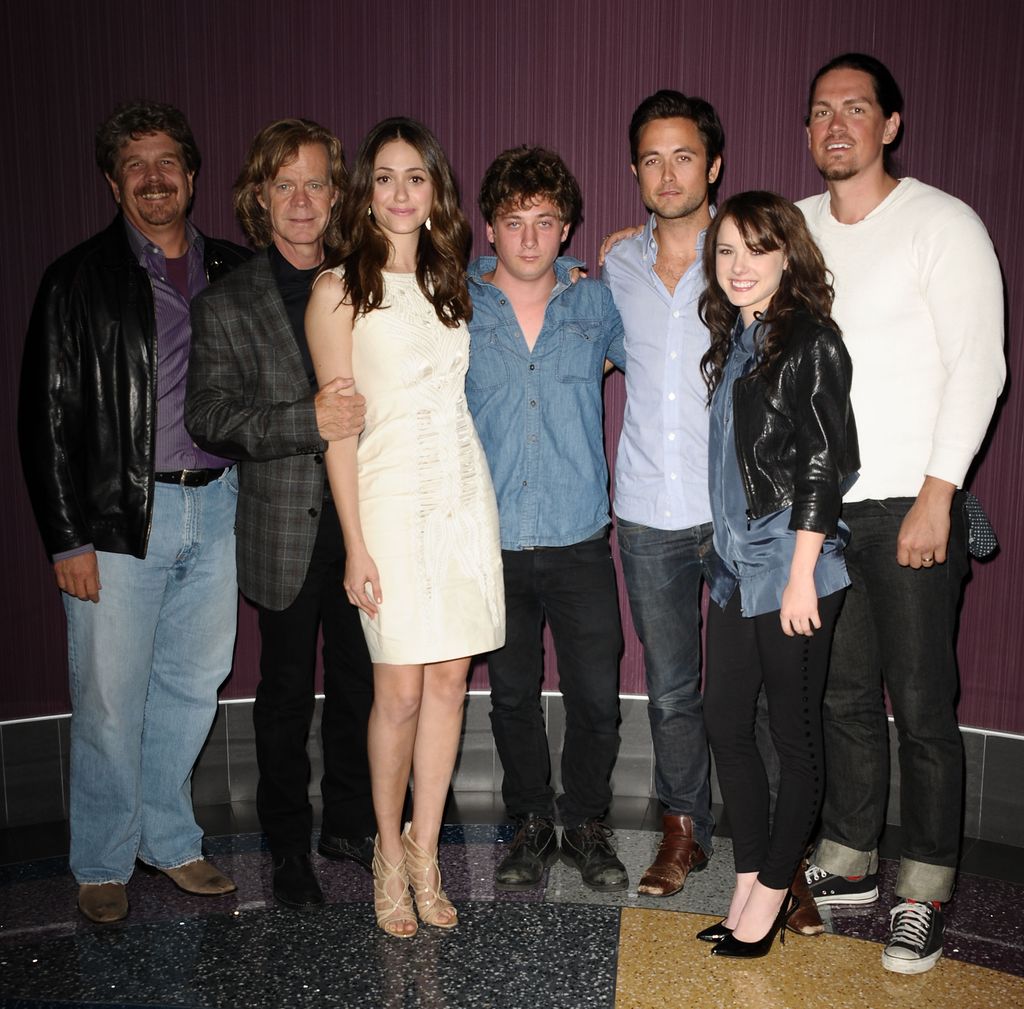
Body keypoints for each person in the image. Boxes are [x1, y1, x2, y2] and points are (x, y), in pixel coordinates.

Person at [797, 53, 1005, 974]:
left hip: (912, 506)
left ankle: (924, 883)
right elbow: (718, 277)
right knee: (841, 695)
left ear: (892, 124)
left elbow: (980, 366)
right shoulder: (793, 229)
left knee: (921, 706)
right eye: (820, 111)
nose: (836, 124)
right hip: (823, 513)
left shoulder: (943, 224)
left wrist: (940, 492)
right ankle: (850, 852)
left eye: (856, 109)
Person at [18, 101, 247, 924]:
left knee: (193, 684)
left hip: (217, 510)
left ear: (190, 174)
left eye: (167, 163)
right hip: (117, 521)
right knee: (110, 696)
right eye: (136, 166)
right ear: (114, 182)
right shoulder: (75, 280)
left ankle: (171, 839)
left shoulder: (233, 269)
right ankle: (103, 859)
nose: (154, 179)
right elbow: (41, 417)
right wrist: (65, 537)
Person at [305, 117, 504, 937]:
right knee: (397, 689)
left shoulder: (452, 277)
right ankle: (387, 850)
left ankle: (427, 849)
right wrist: (355, 543)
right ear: (366, 190)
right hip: (386, 501)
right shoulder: (336, 290)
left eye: (414, 177)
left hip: (462, 492)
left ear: (435, 191)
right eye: (383, 177)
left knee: (452, 680)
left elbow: (536, 272)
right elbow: (338, 428)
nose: (398, 192)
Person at [186, 119, 379, 910]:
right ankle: (288, 843)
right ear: (260, 197)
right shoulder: (226, 302)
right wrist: (308, 420)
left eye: (316, 184)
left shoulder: (370, 284)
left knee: (362, 682)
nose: (302, 201)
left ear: (337, 197)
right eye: (285, 184)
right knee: (287, 690)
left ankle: (350, 823)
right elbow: (209, 414)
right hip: (283, 530)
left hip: (366, 523)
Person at [697, 191, 858, 958]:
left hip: (794, 562)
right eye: (726, 250)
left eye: (755, 250)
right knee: (725, 722)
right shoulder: (738, 338)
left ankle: (767, 901)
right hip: (735, 565)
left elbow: (829, 463)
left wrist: (801, 574)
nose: (738, 266)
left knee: (794, 740)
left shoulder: (810, 340)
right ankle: (748, 878)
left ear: (787, 255)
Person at [466, 146, 628, 893]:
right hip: (491, 542)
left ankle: (587, 820)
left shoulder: (597, 305)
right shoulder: (456, 306)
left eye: (544, 221)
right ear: (489, 228)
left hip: (579, 540)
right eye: (513, 221)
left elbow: (670, 353)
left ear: (566, 230)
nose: (529, 236)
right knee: (511, 696)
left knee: (596, 693)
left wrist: (643, 247)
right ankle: (531, 821)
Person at [601, 89, 722, 899]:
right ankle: (685, 828)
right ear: (637, 170)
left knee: (763, 690)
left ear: (713, 165)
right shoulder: (615, 264)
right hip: (647, 513)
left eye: (683, 156)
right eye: (652, 157)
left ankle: (780, 852)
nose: (667, 172)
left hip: (741, 511)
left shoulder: (753, 250)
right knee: (673, 686)